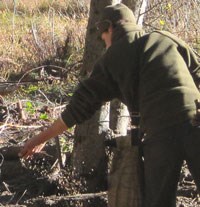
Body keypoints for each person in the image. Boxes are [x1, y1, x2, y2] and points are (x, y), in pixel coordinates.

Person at [19, 3, 200, 207]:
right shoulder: (166, 38)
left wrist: (40, 138)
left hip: (160, 136)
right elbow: (197, 71)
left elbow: (76, 110)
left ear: (110, 27)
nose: (103, 41)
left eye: (102, 35)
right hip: (196, 122)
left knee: (159, 201)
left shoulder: (111, 60)